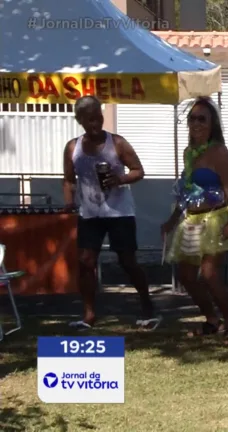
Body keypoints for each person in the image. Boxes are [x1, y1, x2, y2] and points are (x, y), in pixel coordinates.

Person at [161, 96, 228, 343]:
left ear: (212, 123)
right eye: (192, 119)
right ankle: (211, 320)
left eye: (201, 119)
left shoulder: (219, 152)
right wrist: (172, 219)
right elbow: (185, 190)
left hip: (216, 218)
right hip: (191, 219)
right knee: (185, 275)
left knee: (209, 274)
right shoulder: (189, 152)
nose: (196, 123)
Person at [63, 95, 159, 330]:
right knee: (86, 262)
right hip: (90, 214)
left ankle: (147, 305)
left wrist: (120, 178)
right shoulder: (73, 148)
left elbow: (139, 171)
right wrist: (69, 204)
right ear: (80, 121)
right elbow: (68, 180)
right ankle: (88, 314)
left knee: (127, 261)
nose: (95, 125)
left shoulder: (117, 143)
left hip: (119, 212)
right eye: (89, 120)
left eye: (98, 118)